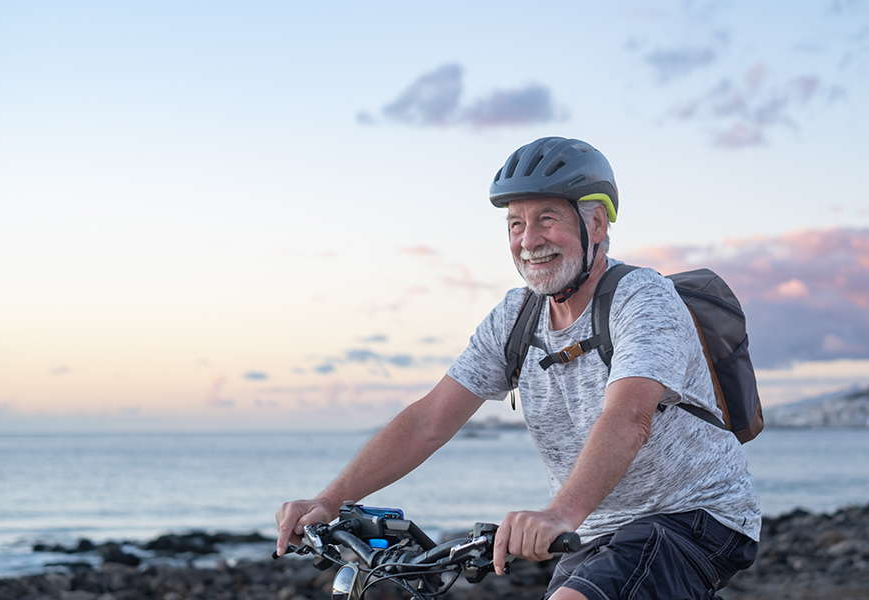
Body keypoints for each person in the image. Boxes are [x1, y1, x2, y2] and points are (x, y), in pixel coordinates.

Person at [276, 136, 760, 600]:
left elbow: (629, 417)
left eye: (547, 219)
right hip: (592, 530)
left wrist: (559, 513)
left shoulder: (643, 298)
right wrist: (331, 499)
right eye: (515, 224)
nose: (529, 240)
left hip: (693, 515)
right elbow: (430, 420)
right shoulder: (516, 317)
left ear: (596, 226)